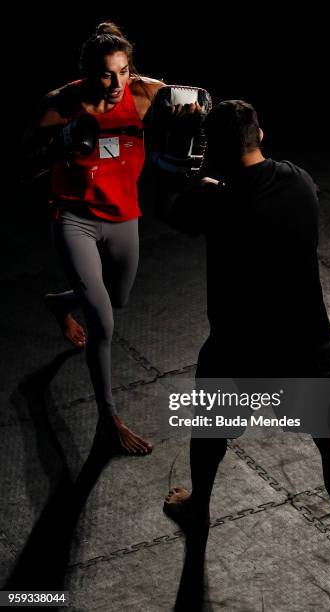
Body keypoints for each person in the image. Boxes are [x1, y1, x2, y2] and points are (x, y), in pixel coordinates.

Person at [156, 100, 330, 586]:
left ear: (215, 152)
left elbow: (169, 210)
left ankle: (199, 507)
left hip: (239, 344)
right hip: (304, 340)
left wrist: (181, 156)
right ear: (259, 134)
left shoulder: (212, 200)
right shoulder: (298, 180)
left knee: (211, 424)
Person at [24, 22, 164, 455]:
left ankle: (60, 302)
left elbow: (201, 103)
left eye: (124, 71)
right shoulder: (60, 104)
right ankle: (108, 418)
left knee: (116, 299)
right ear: (88, 72)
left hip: (124, 216)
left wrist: (191, 113)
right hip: (75, 219)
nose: (118, 82)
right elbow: (28, 161)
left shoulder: (144, 94)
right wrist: (61, 143)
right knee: (103, 321)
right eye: (107, 73)